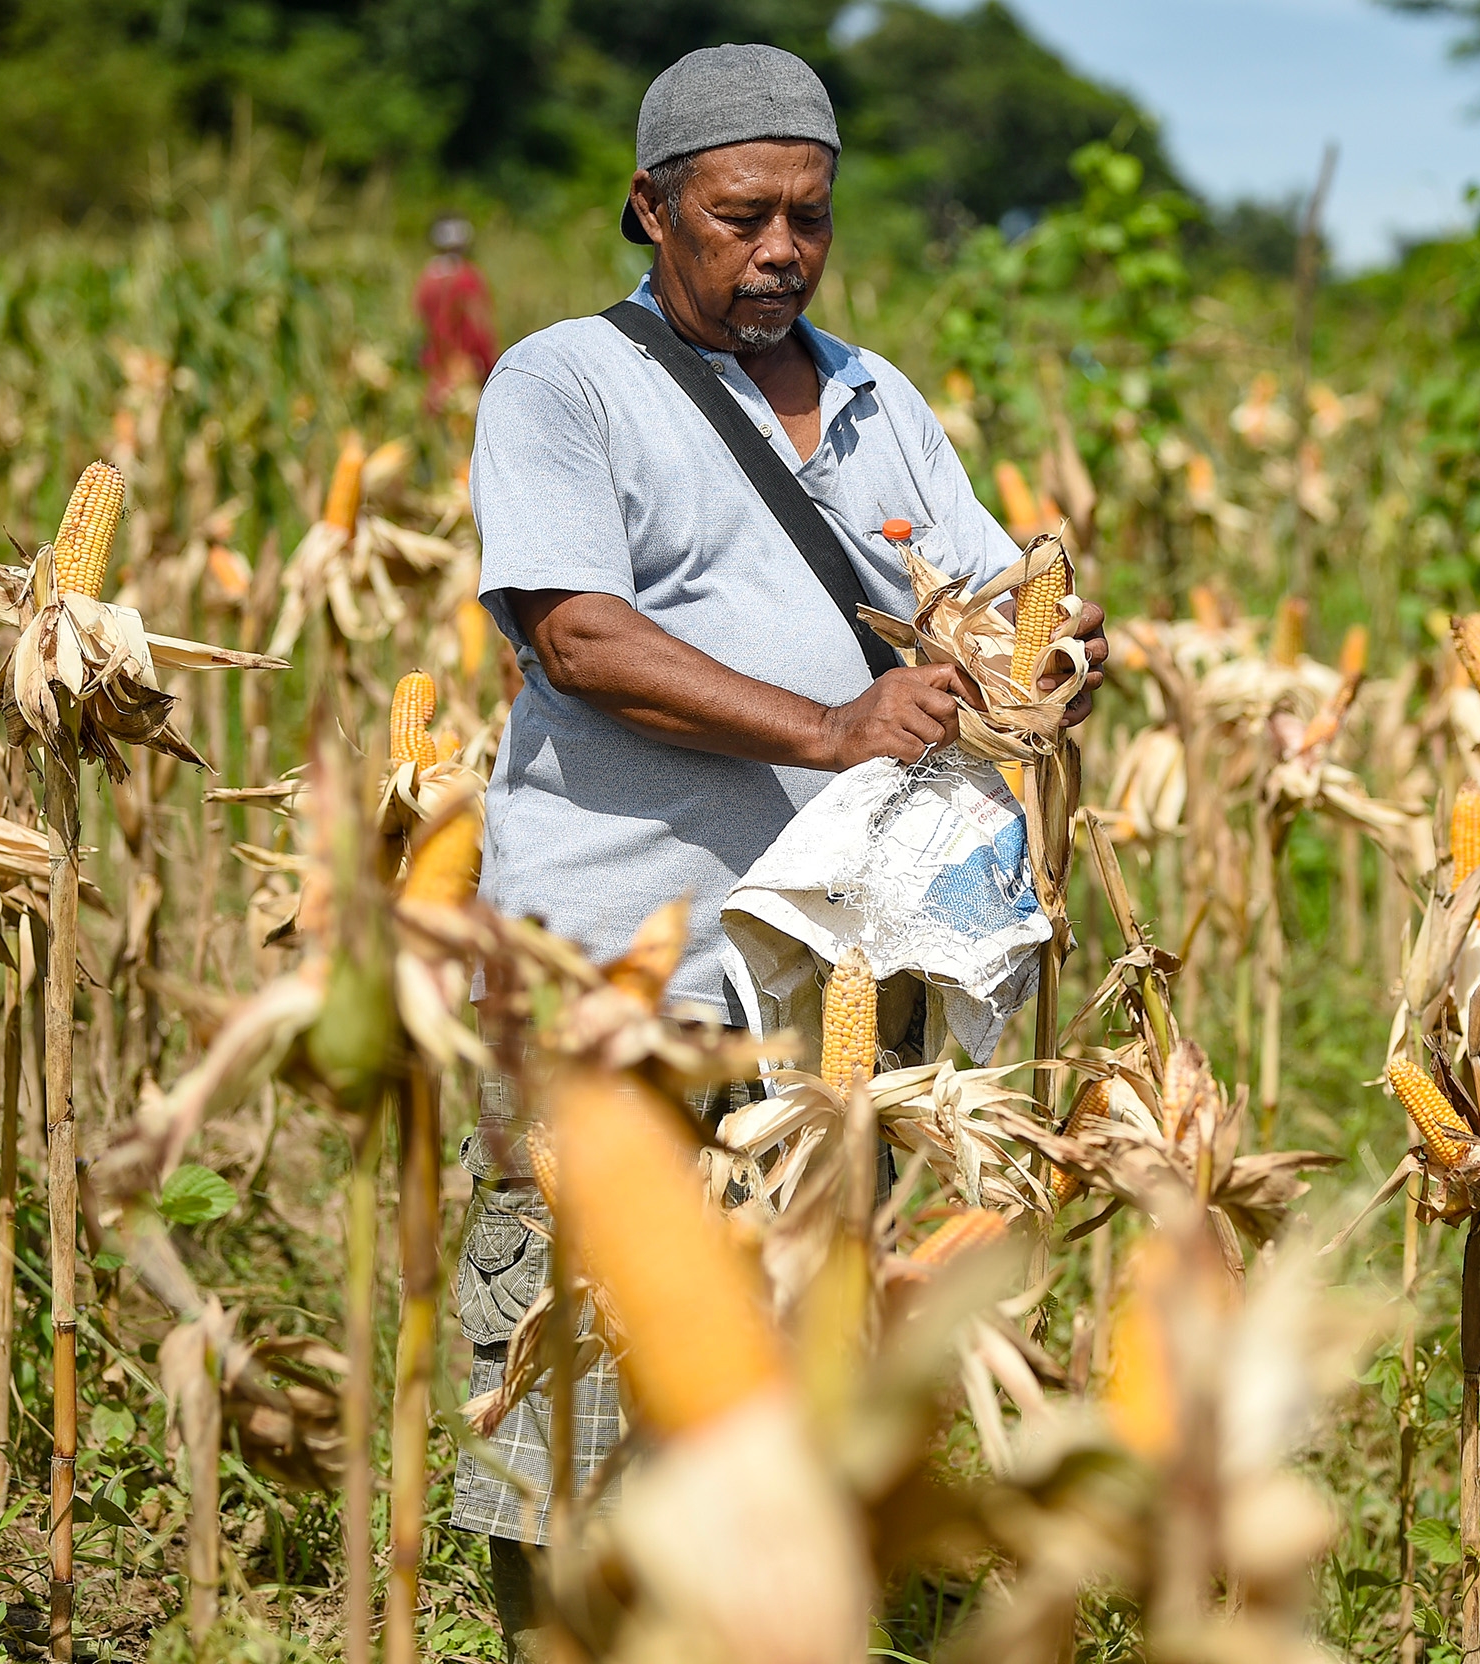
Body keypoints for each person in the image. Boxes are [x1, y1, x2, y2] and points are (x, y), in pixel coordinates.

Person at [449, 42, 1108, 1657]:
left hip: (833, 972)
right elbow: (582, 635)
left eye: (809, 217)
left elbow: (983, 589)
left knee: (797, 1345)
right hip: (611, 948)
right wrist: (830, 727)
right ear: (649, 204)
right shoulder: (562, 382)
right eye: (743, 216)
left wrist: (1056, 644)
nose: (781, 251)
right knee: (562, 1347)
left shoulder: (882, 400)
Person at [416, 215, 498, 409]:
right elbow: (479, 327)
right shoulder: (468, 277)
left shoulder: (426, 278)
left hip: (437, 372)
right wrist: (490, 365)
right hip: (465, 370)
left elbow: (422, 319)